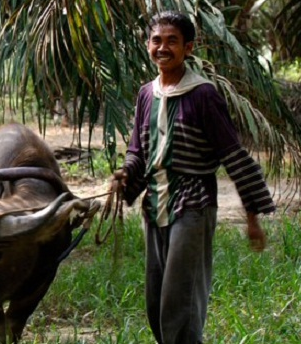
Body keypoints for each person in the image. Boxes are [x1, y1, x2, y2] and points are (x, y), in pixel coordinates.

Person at [111, 10, 275, 344]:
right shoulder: (147, 94)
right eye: (157, 40)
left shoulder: (203, 95)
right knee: (156, 303)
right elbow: (137, 151)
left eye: (172, 41)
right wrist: (126, 174)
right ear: (148, 45)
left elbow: (233, 154)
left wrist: (252, 217)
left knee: (180, 304)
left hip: (193, 205)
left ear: (188, 48)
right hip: (154, 205)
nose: (163, 47)